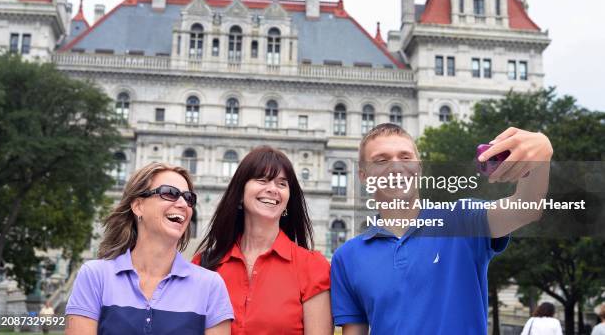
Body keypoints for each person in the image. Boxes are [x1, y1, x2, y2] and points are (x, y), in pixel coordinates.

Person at [331, 123, 553, 334]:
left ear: (419, 167)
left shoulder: (462, 220)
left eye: (405, 157)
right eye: (381, 160)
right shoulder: (346, 258)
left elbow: (527, 208)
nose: (396, 166)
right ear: (364, 176)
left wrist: (541, 152)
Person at [65, 162, 233, 335]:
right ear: (138, 206)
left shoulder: (210, 285)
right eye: (170, 193)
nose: (183, 204)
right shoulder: (95, 276)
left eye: (189, 198)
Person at [193, 146, 332, 335]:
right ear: (240, 194)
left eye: (282, 184)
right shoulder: (203, 265)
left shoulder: (312, 267)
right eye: (262, 180)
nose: (273, 189)